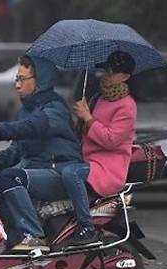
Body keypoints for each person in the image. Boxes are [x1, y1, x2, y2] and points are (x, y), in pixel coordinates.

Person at [0, 55, 82, 252]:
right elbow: (16, 150)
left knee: (10, 178)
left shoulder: (54, 108)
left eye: (21, 79)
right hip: (33, 172)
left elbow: (34, 127)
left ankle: (34, 235)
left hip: (57, 173)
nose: (17, 85)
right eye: (16, 78)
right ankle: (12, 238)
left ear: (40, 81)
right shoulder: (26, 111)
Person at [62, 50, 137, 246]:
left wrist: (88, 118)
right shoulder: (97, 99)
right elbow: (84, 133)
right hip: (88, 162)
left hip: (108, 169)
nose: (106, 76)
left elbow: (111, 140)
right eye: (106, 71)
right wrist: (81, 119)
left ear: (126, 77)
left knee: (71, 173)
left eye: (112, 72)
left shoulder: (127, 106)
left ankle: (86, 227)